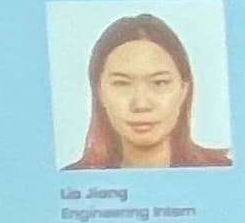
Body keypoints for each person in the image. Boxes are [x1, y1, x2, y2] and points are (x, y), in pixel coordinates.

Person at [66, 14, 233, 169]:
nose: (141, 104)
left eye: (159, 83)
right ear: (99, 92)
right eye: (122, 83)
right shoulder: (69, 181)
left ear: (183, 90)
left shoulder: (224, 174)